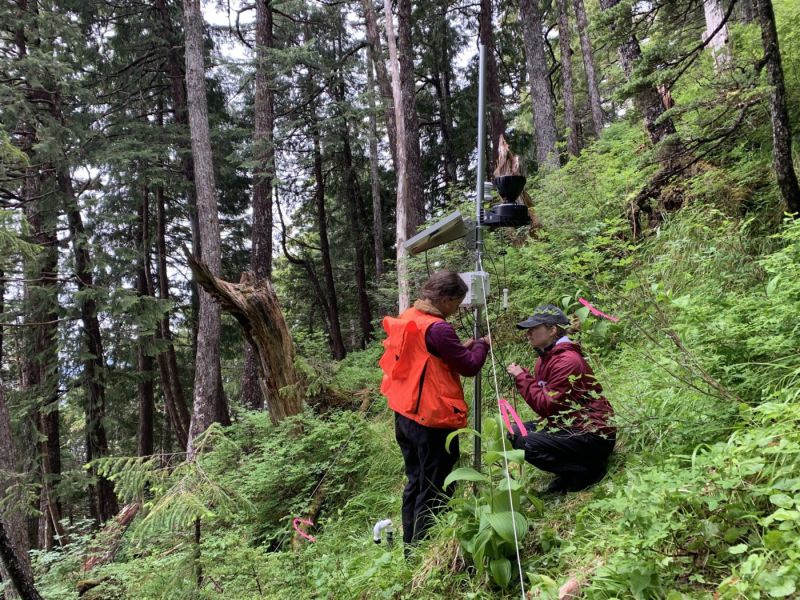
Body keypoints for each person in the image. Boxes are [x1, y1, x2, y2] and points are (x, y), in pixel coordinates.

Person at [379, 271, 490, 551]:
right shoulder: (438, 328)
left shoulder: (409, 317)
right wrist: (482, 345)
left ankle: (410, 545)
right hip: (431, 417)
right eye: (457, 302)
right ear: (445, 299)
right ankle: (426, 547)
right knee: (435, 484)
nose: (457, 309)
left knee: (415, 482)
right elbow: (469, 366)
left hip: (405, 412)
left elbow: (429, 357)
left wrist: (460, 350)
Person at [506, 304, 615, 493]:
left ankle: (587, 471)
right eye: (528, 330)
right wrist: (524, 377)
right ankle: (572, 471)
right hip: (570, 425)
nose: (528, 334)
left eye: (534, 329)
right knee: (515, 432)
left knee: (527, 442)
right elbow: (549, 402)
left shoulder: (567, 361)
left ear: (553, 330)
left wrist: (522, 377)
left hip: (593, 434)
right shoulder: (545, 359)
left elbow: (546, 405)